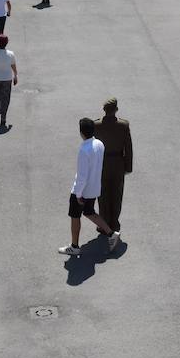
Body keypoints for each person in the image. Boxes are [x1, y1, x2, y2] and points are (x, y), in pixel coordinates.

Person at [59, 117, 119, 256]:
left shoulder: (84, 150)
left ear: (81, 132)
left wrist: (78, 194)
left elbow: (82, 176)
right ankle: (111, 233)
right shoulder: (100, 144)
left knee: (75, 216)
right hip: (94, 188)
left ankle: (74, 246)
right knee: (89, 212)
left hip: (82, 191)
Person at [94, 97, 133, 235]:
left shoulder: (96, 125)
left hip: (102, 163)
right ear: (116, 110)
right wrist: (128, 167)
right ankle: (114, 222)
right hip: (117, 164)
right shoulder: (123, 125)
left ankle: (104, 223)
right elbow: (128, 147)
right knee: (117, 194)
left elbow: (93, 147)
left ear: (104, 110)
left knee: (103, 194)